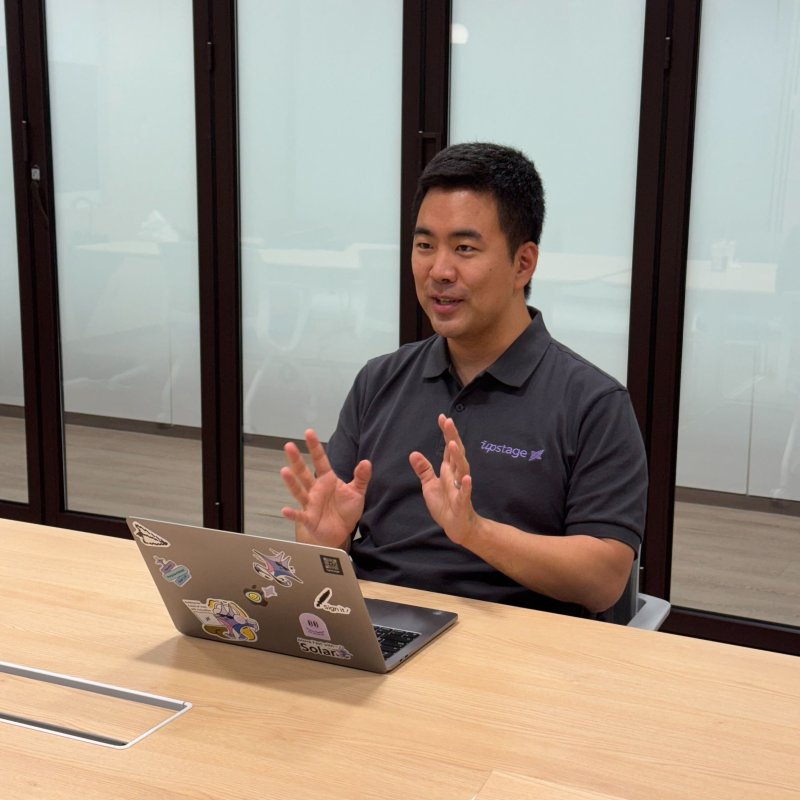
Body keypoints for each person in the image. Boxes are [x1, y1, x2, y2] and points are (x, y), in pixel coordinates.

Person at [280, 142, 647, 618]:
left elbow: (603, 581)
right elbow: (327, 542)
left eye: (465, 248)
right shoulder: (380, 380)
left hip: (516, 643)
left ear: (523, 263)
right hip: (378, 628)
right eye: (424, 246)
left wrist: (475, 532)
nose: (439, 270)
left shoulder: (593, 402)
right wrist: (323, 543)